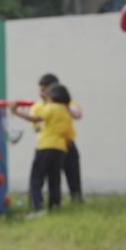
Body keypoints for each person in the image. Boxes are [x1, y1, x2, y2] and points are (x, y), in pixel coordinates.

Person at [11, 83, 73, 216]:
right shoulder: (66, 113)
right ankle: (54, 207)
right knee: (54, 179)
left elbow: (36, 118)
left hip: (45, 146)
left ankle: (37, 207)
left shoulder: (50, 108)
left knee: (37, 178)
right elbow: (69, 137)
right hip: (60, 149)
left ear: (52, 96)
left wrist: (16, 112)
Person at [31, 74, 84, 203]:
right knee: (48, 177)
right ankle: (43, 203)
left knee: (72, 172)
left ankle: (76, 199)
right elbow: (35, 125)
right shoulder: (38, 106)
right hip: (48, 145)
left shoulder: (66, 103)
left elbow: (77, 113)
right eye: (40, 90)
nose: (41, 93)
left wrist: (62, 105)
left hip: (67, 143)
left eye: (44, 90)